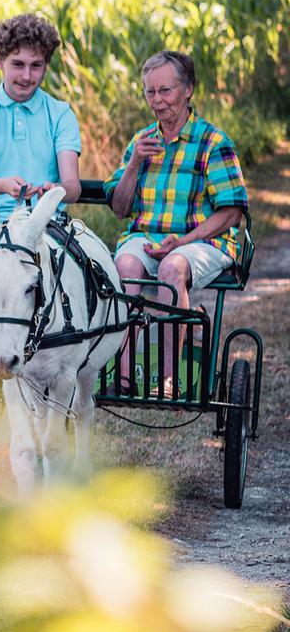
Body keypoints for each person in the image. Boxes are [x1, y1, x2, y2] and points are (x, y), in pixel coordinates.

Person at [106, 50, 248, 395]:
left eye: (165, 91)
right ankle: (123, 375)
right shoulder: (141, 142)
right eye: (150, 92)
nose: (157, 101)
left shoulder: (212, 142)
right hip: (146, 236)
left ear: (188, 90)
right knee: (124, 265)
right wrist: (135, 163)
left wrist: (183, 242)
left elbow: (232, 212)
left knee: (172, 268)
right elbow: (120, 208)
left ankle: (169, 379)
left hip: (202, 240)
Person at [0, 13, 82, 272]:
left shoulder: (60, 113)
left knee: (61, 266)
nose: (27, 76)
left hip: (47, 220)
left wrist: (55, 189)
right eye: (18, 64)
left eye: (36, 65)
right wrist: (4, 185)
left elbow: (73, 187)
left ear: (46, 65)